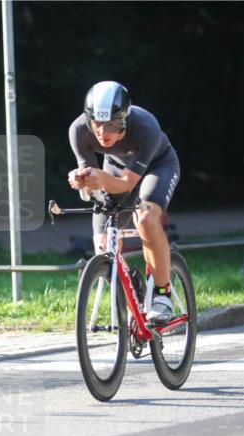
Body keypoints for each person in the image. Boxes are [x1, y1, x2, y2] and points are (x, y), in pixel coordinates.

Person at [67, 81, 180, 323]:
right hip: (115, 169)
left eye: (112, 124)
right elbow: (93, 186)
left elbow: (127, 185)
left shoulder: (146, 126)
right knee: (104, 245)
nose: (102, 132)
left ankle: (162, 294)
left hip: (157, 166)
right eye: (96, 123)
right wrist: (81, 182)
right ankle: (135, 305)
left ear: (125, 119)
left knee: (146, 219)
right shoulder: (78, 130)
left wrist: (100, 179)